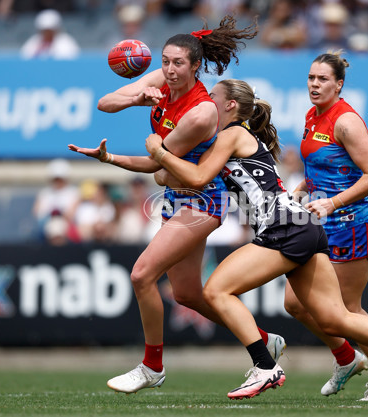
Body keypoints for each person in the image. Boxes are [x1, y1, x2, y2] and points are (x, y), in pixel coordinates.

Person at [145, 78, 368, 404]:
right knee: (335, 318)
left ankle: (264, 365)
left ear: (230, 105)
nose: (204, 102)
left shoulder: (232, 134)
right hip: (302, 224)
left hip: (283, 226)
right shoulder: (233, 137)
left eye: (211, 96)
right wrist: (114, 159)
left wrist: (159, 150)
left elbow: (197, 177)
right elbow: (171, 173)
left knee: (216, 291)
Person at [68, 16, 285, 394]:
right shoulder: (160, 82)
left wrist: (112, 159)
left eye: (177, 63)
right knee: (186, 294)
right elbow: (105, 103)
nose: (168, 69)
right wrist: (137, 97)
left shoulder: (202, 111)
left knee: (141, 275)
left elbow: (156, 163)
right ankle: (263, 340)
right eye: (165, 61)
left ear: (195, 66)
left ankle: (152, 366)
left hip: (202, 202)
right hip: (175, 198)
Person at [286, 51, 368, 401]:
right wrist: (303, 188)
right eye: (311, 78)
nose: (314, 85)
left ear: (339, 84)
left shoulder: (346, 121)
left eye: (322, 79)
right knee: (295, 303)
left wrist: (333, 202)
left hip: (352, 223)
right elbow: (323, 167)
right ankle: (346, 357)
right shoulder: (311, 115)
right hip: (320, 223)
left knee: (347, 311)